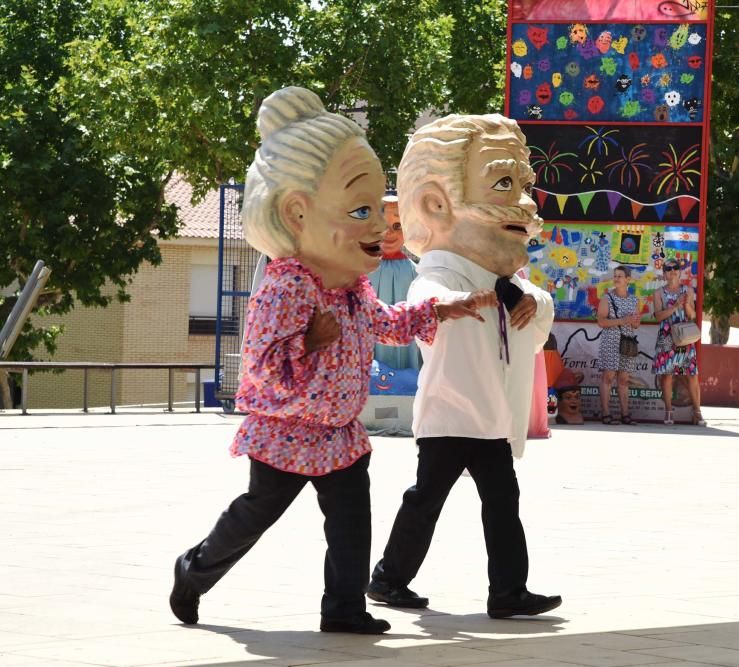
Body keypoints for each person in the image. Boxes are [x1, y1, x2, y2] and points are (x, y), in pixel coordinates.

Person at [168, 86, 494, 636]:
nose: (378, 227)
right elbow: (261, 366)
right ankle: (194, 570)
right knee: (256, 514)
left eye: (379, 211)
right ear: (297, 213)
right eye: (361, 211)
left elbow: (385, 322)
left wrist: (444, 308)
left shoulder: (350, 288)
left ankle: (343, 608)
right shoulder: (288, 286)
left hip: (339, 434)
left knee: (350, 524)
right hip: (287, 433)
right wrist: (310, 342)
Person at [367, 114, 562, 619]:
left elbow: (535, 304)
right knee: (425, 500)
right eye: (503, 183)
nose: (524, 202)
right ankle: (388, 578)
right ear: (435, 204)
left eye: (524, 185)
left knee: (503, 504)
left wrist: (528, 300)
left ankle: (507, 591)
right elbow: (429, 299)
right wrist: (457, 302)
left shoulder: (508, 281)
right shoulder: (437, 274)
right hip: (451, 417)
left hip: (490, 417)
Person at [367, 195, 421, 371]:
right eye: (383, 225)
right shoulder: (361, 271)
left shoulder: (417, 273)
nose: (389, 233)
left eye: (397, 226)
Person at [652, 259, 705, 426]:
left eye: (675, 268)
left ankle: (697, 411)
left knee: (691, 374)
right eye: (668, 268)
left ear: (679, 272)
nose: (672, 271)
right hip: (667, 336)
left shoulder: (687, 290)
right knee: (667, 375)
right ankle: (668, 411)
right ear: (664, 273)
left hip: (684, 337)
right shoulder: (658, 293)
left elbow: (692, 316)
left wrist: (686, 304)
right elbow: (658, 316)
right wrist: (675, 306)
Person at [596, 265, 641, 425]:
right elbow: (601, 321)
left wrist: (634, 322)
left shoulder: (634, 299)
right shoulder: (607, 298)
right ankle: (606, 413)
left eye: (620, 276)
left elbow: (636, 325)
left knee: (623, 379)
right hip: (611, 341)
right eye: (615, 276)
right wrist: (623, 320)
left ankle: (625, 414)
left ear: (628, 279)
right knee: (608, 376)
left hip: (627, 341)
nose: (616, 279)